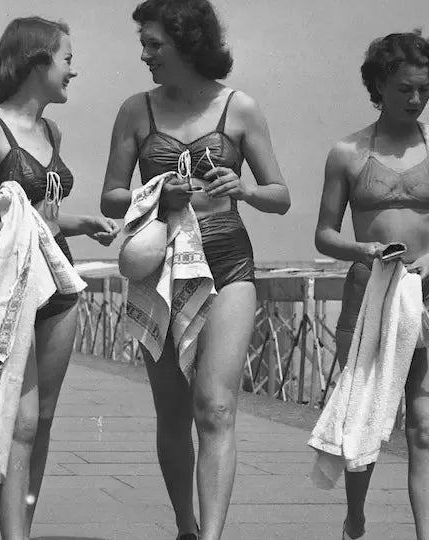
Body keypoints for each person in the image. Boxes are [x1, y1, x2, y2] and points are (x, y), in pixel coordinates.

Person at [101, 1, 290, 538]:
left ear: (187, 43)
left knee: (215, 407)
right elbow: (112, 197)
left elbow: (280, 196)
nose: (145, 56)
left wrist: (244, 188)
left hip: (228, 261)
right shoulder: (136, 111)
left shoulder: (241, 109)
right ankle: (185, 525)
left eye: (154, 45)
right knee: (173, 411)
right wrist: (158, 192)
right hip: (160, 269)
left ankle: (210, 535)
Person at [0, 16, 118, 540]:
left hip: (59, 280)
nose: (74, 70)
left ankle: (23, 525)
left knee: (42, 419)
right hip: (8, 282)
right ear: (37, 60)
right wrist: (0, 206)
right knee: (18, 421)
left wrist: (84, 221)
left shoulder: (51, 131)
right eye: (67, 59)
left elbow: (43, 218)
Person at [313, 31, 429, 540]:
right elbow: (325, 234)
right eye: (404, 89)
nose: (415, 99)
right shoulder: (347, 152)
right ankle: (356, 518)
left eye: (424, 89)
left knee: (426, 425)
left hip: (428, 297)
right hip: (367, 291)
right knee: (363, 416)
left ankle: (428, 536)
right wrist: (362, 250)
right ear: (378, 84)